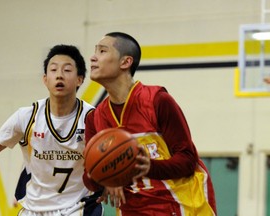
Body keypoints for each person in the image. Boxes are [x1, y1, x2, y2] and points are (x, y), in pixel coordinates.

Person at [83, 32, 217, 216]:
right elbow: (89, 178)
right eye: (94, 52)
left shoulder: (157, 100)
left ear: (125, 62)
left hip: (179, 204)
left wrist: (149, 167)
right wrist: (106, 179)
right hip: (132, 208)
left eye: (102, 51)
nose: (93, 57)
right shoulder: (95, 118)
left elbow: (187, 159)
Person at [0, 45, 102, 215]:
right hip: (34, 209)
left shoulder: (93, 118)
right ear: (45, 79)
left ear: (80, 79)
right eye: (53, 70)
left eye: (67, 70)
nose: (59, 75)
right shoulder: (26, 117)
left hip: (78, 208)